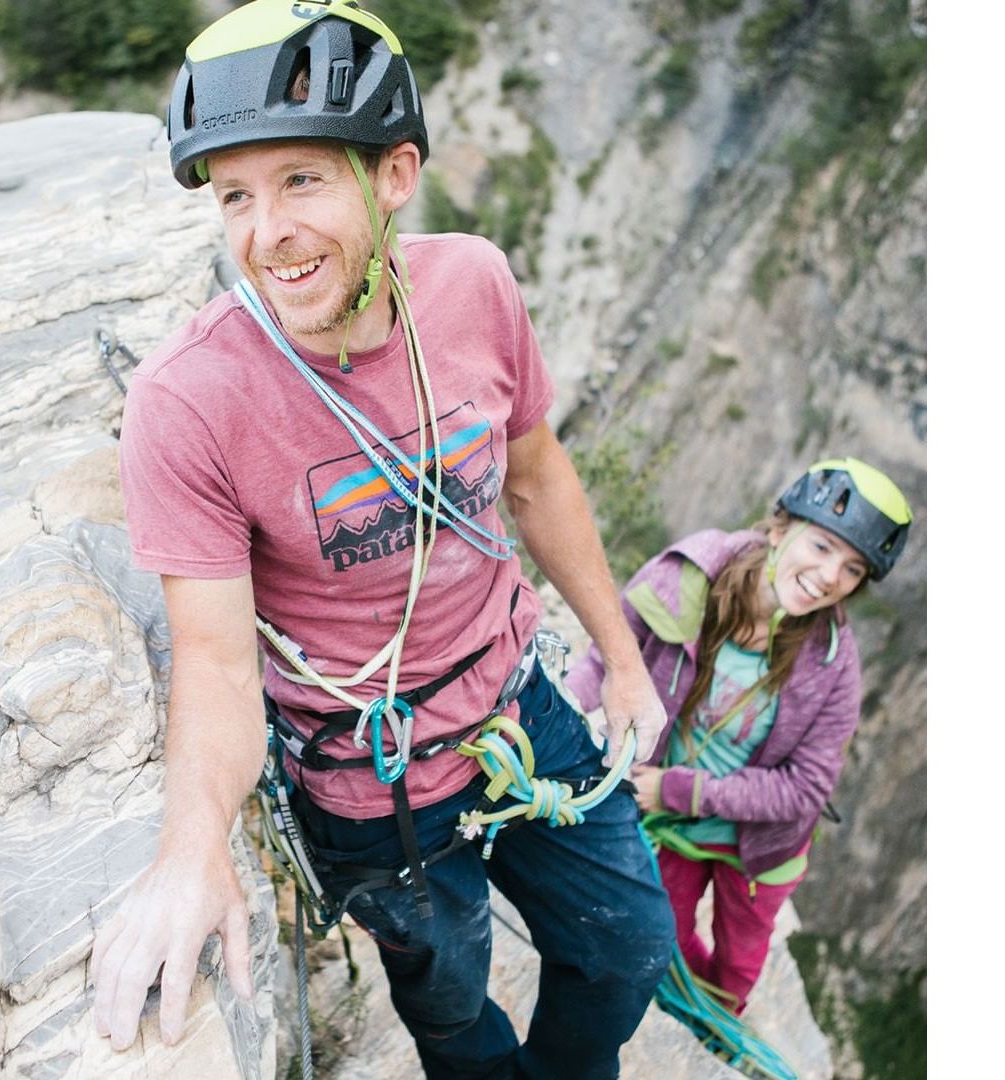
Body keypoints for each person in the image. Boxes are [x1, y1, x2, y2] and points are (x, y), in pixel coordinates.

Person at [91, 2, 674, 1075]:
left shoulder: (474, 286)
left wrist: (624, 663)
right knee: (449, 1004)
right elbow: (215, 661)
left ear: (394, 174)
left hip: (517, 703)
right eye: (235, 196)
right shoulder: (190, 401)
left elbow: (538, 476)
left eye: (301, 179)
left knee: (627, 948)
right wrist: (192, 847)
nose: (266, 232)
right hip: (371, 779)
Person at [566, 458, 913, 1016]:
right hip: (678, 826)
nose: (831, 576)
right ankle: (687, 1016)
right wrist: (559, 704)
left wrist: (678, 790)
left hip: (758, 844)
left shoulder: (833, 664)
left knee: (736, 969)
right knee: (665, 938)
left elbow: (805, 788)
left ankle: (718, 1033)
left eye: (852, 569)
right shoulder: (689, 576)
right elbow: (612, 654)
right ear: (779, 529)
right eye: (822, 546)